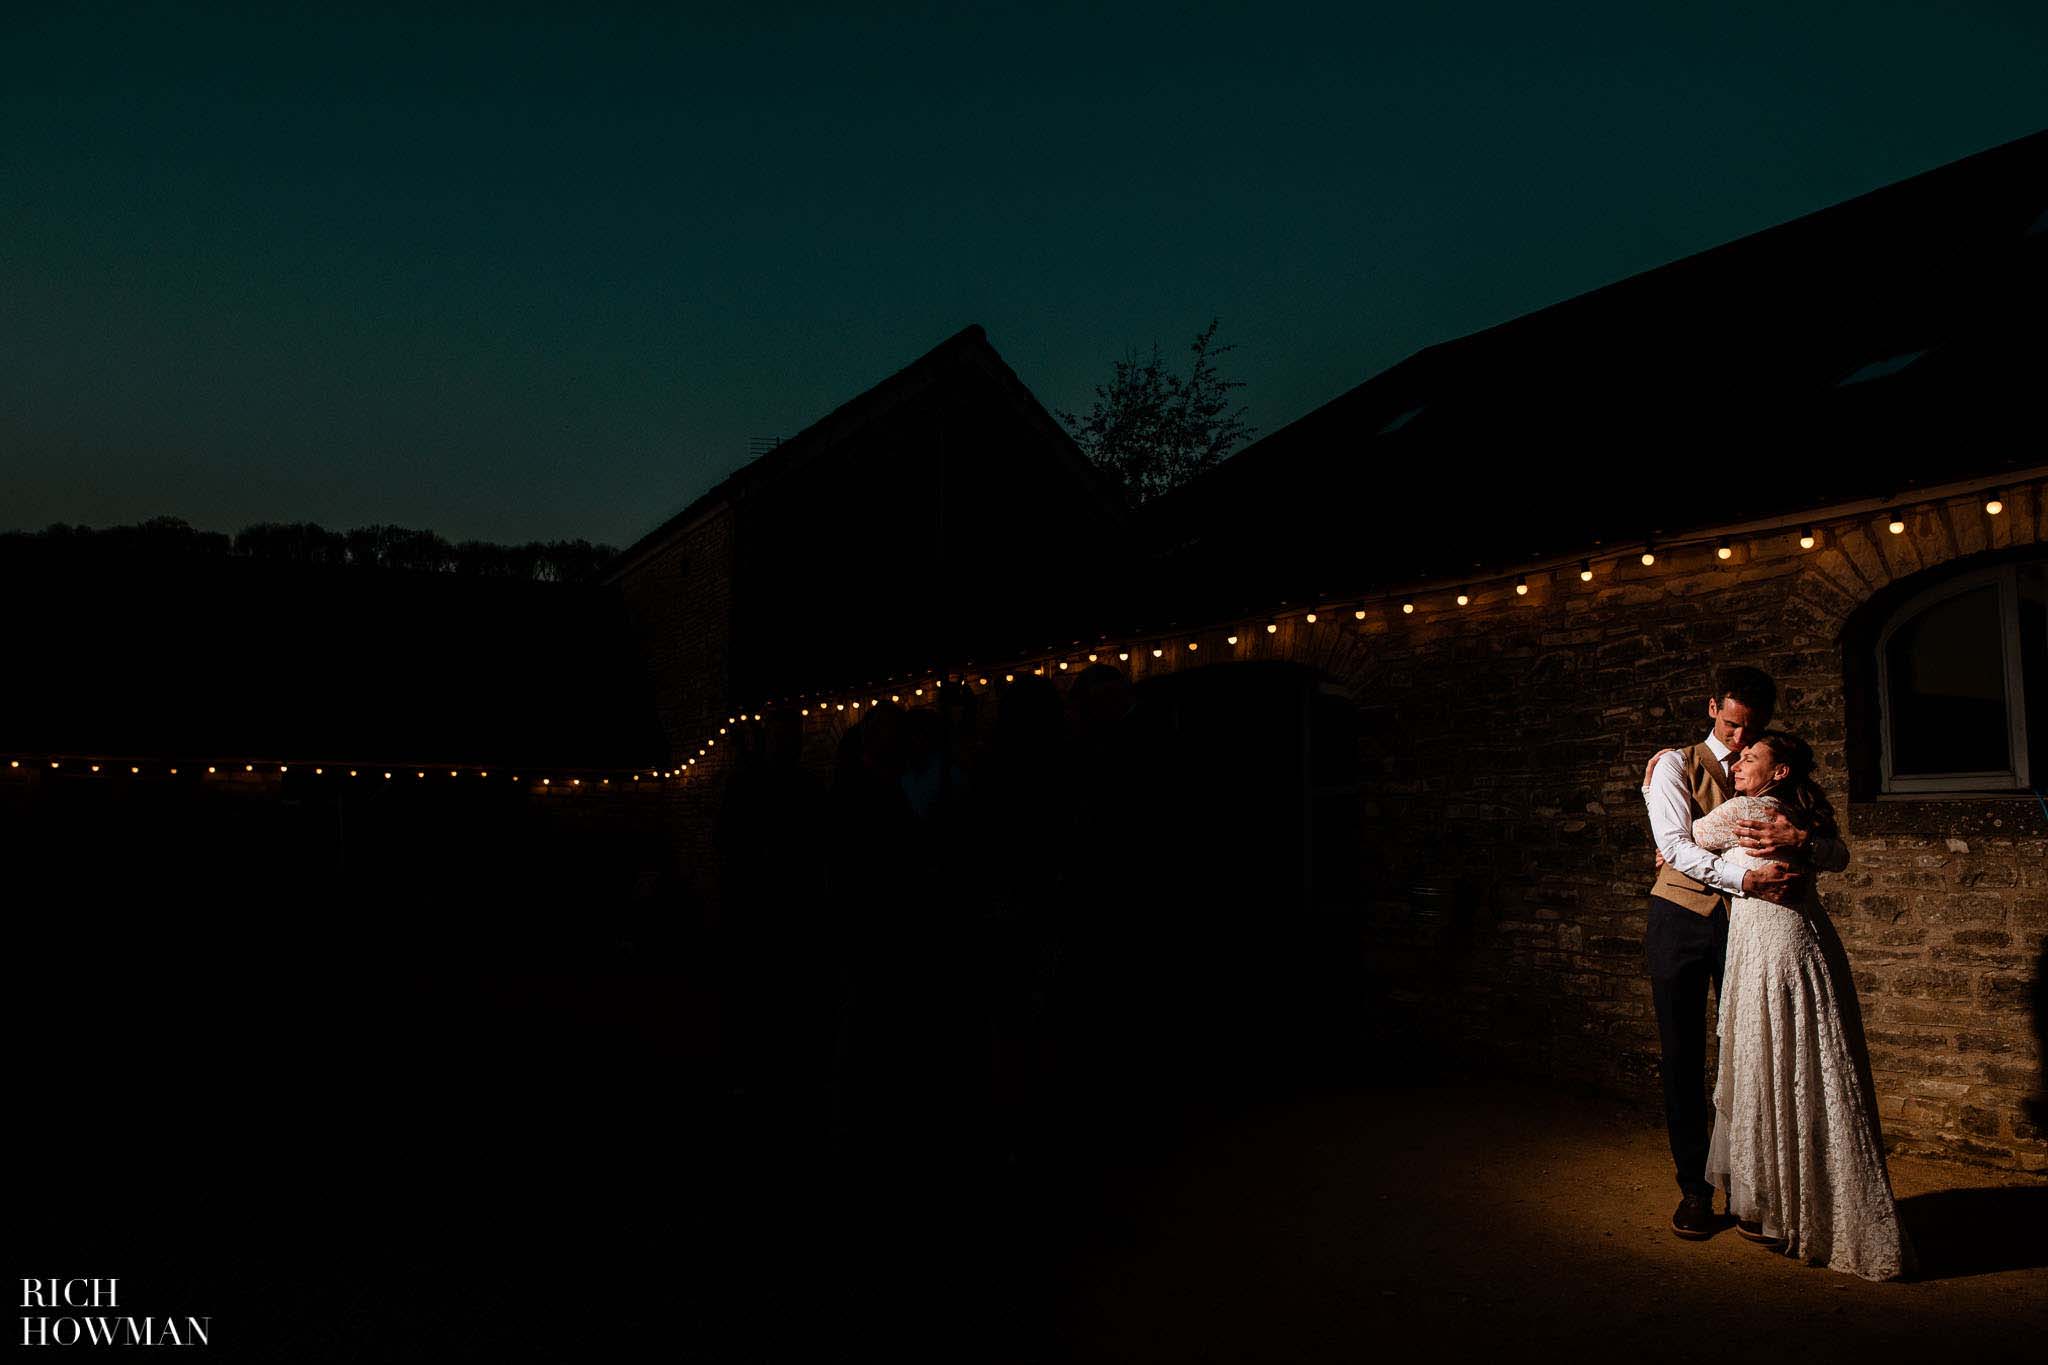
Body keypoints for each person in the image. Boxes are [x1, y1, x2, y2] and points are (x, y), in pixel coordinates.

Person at [1689, 731, 1915, 1280]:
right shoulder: (1792, 812)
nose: (1738, 762)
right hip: (1802, 940)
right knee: (1806, 1065)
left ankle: (1776, 1207)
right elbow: (1839, 855)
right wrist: (1807, 837)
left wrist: (1658, 786)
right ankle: (1786, 1205)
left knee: (1771, 1065)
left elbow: (1689, 834)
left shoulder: (1743, 810)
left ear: (1780, 771)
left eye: (1750, 757)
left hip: (1774, 951)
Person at [1639, 667, 1847, 1239]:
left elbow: (1830, 843)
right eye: (1730, 725)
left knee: (1755, 1058)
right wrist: (1745, 878)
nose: (1737, 742)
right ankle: (1695, 1191)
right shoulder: (1673, 765)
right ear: (1712, 708)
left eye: (1748, 731)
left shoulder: (1774, 767)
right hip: (1681, 921)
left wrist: (1799, 843)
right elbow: (1676, 847)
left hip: (1753, 932)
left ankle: (1755, 1194)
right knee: (1683, 1055)